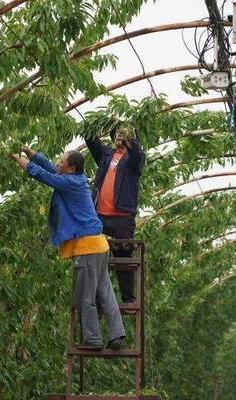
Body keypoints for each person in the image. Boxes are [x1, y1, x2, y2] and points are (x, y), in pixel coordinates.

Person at [11, 146, 126, 350]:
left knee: (85, 297)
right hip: (99, 245)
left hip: (86, 248)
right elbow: (49, 167)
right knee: (105, 292)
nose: (58, 163)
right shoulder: (75, 179)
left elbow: (42, 174)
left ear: (71, 168)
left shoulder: (68, 182)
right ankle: (116, 334)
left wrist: (16, 158)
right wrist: (29, 152)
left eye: (62, 161)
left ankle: (92, 340)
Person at [85, 123, 145, 303]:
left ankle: (128, 299)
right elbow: (90, 139)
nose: (119, 135)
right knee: (93, 255)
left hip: (122, 217)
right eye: (117, 133)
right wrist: (104, 122)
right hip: (100, 215)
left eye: (123, 133)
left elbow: (138, 153)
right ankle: (94, 298)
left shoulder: (134, 159)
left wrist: (130, 139)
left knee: (123, 257)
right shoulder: (107, 155)